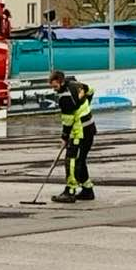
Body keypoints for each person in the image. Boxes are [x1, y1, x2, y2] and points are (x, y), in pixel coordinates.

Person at [48, 70, 96, 203]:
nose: (54, 90)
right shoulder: (77, 84)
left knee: (71, 161)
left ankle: (70, 190)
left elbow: (67, 121)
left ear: (61, 82)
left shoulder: (65, 97)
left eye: (56, 86)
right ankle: (87, 189)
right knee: (80, 160)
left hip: (79, 132)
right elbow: (91, 90)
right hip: (90, 128)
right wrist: (85, 107)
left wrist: (64, 137)